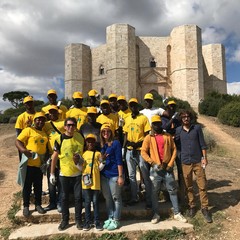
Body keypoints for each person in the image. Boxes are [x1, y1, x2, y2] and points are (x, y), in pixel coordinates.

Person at [141, 115, 187, 224]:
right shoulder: (149, 138)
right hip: (156, 170)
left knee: (172, 190)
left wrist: (171, 164)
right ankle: (156, 214)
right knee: (154, 192)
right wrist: (152, 163)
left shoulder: (167, 136)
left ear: (161, 124)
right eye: (155, 123)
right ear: (152, 125)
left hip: (168, 169)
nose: (157, 125)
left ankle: (176, 213)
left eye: (158, 123)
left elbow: (174, 150)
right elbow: (143, 151)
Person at [175, 110, 213, 223]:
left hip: (197, 161)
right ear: (181, 119)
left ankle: (205, 208)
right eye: (183, 117)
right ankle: (192, 206)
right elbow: (175, 144)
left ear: (190, 117)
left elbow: (202, 144)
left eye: (187, 116)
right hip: (185, 161)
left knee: (202, 185)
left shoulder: (197, 128)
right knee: (188, 186)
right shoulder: (178, 130)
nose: (186, 118)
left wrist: (204, 158)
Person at [50, 117, 85, 231]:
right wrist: (51, 173)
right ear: (65, 126)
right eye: (69, 125)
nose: (71, 127)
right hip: (64, 174)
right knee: (64, 198)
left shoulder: (80, 137)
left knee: (78, 198)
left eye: (73, 125)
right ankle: (65, 220)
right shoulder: (59, 138)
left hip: (78, 173)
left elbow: (83, 154)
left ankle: (78, 220)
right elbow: (54, 157)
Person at [16, 112, 48, 217]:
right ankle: (26, 206)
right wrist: (24, 150)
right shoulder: (28, 130)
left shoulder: (44, 133)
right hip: (28, 164)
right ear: (34, 121)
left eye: (42, 119)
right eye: (38, 119)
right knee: (27, 186)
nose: (40, 121)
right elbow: (18, 141)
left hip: (39, 165)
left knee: (38, 186)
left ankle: (38, 205)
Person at [123, 98, 152, 209]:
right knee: (131, 176)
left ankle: (149, 199)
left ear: (138, 106)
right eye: (131, 105)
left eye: (135, 105)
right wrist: (124, 148)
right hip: (130, 151)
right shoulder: (127, 118)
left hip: (140, 151)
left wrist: (141, 145)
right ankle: (134, 197)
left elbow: (147, 135)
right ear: (129, 107)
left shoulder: (143, 118)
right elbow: (125, 134)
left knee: (145, 174)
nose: (133, 107)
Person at [100, 123, 124, 231]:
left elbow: (119, 160)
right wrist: (103, 158)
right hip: (105, 175)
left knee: (116, 198)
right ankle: (110, 217)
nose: (106, 133)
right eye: (103, 131)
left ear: (112, 132)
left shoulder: (116, 143)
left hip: (114, 175)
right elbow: (102, 161)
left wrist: (120, 176)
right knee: (108, 198)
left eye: (108, 131)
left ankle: (116, 219)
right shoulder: (103, 145)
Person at [43, 105, 65, 212]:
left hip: (62, 156)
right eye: (50, 112)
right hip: (51, 156)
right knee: (51, 180)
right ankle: (52, 202)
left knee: (61, 181)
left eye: (54, 112)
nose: (52, 114)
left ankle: (60, 202)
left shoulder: (63, 122)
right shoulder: (46, 125)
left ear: (58, 112)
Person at [82, 134, 103, 231]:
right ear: (86, 143)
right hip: (86, 182)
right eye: (88, 141)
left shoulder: (98, 153)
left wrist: (104, 162)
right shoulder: (83, 154)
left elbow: (100, 168)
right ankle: (87, 222)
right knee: (87, 202)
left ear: (95, 143)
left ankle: (97, 221)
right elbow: (80, 167)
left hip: (95, 181)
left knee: (95, 202)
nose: (90, 143)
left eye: (92, 141)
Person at [15, 96, 36, 161]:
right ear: (24, 105)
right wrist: (22, 148)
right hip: (25, 146)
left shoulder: (38, 115)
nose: (29, 104)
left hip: (37, 144)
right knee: (25, 167)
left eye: (30, 102)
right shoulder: (21, 117)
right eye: (27, 103)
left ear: (33, 103)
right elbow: (18, 133)